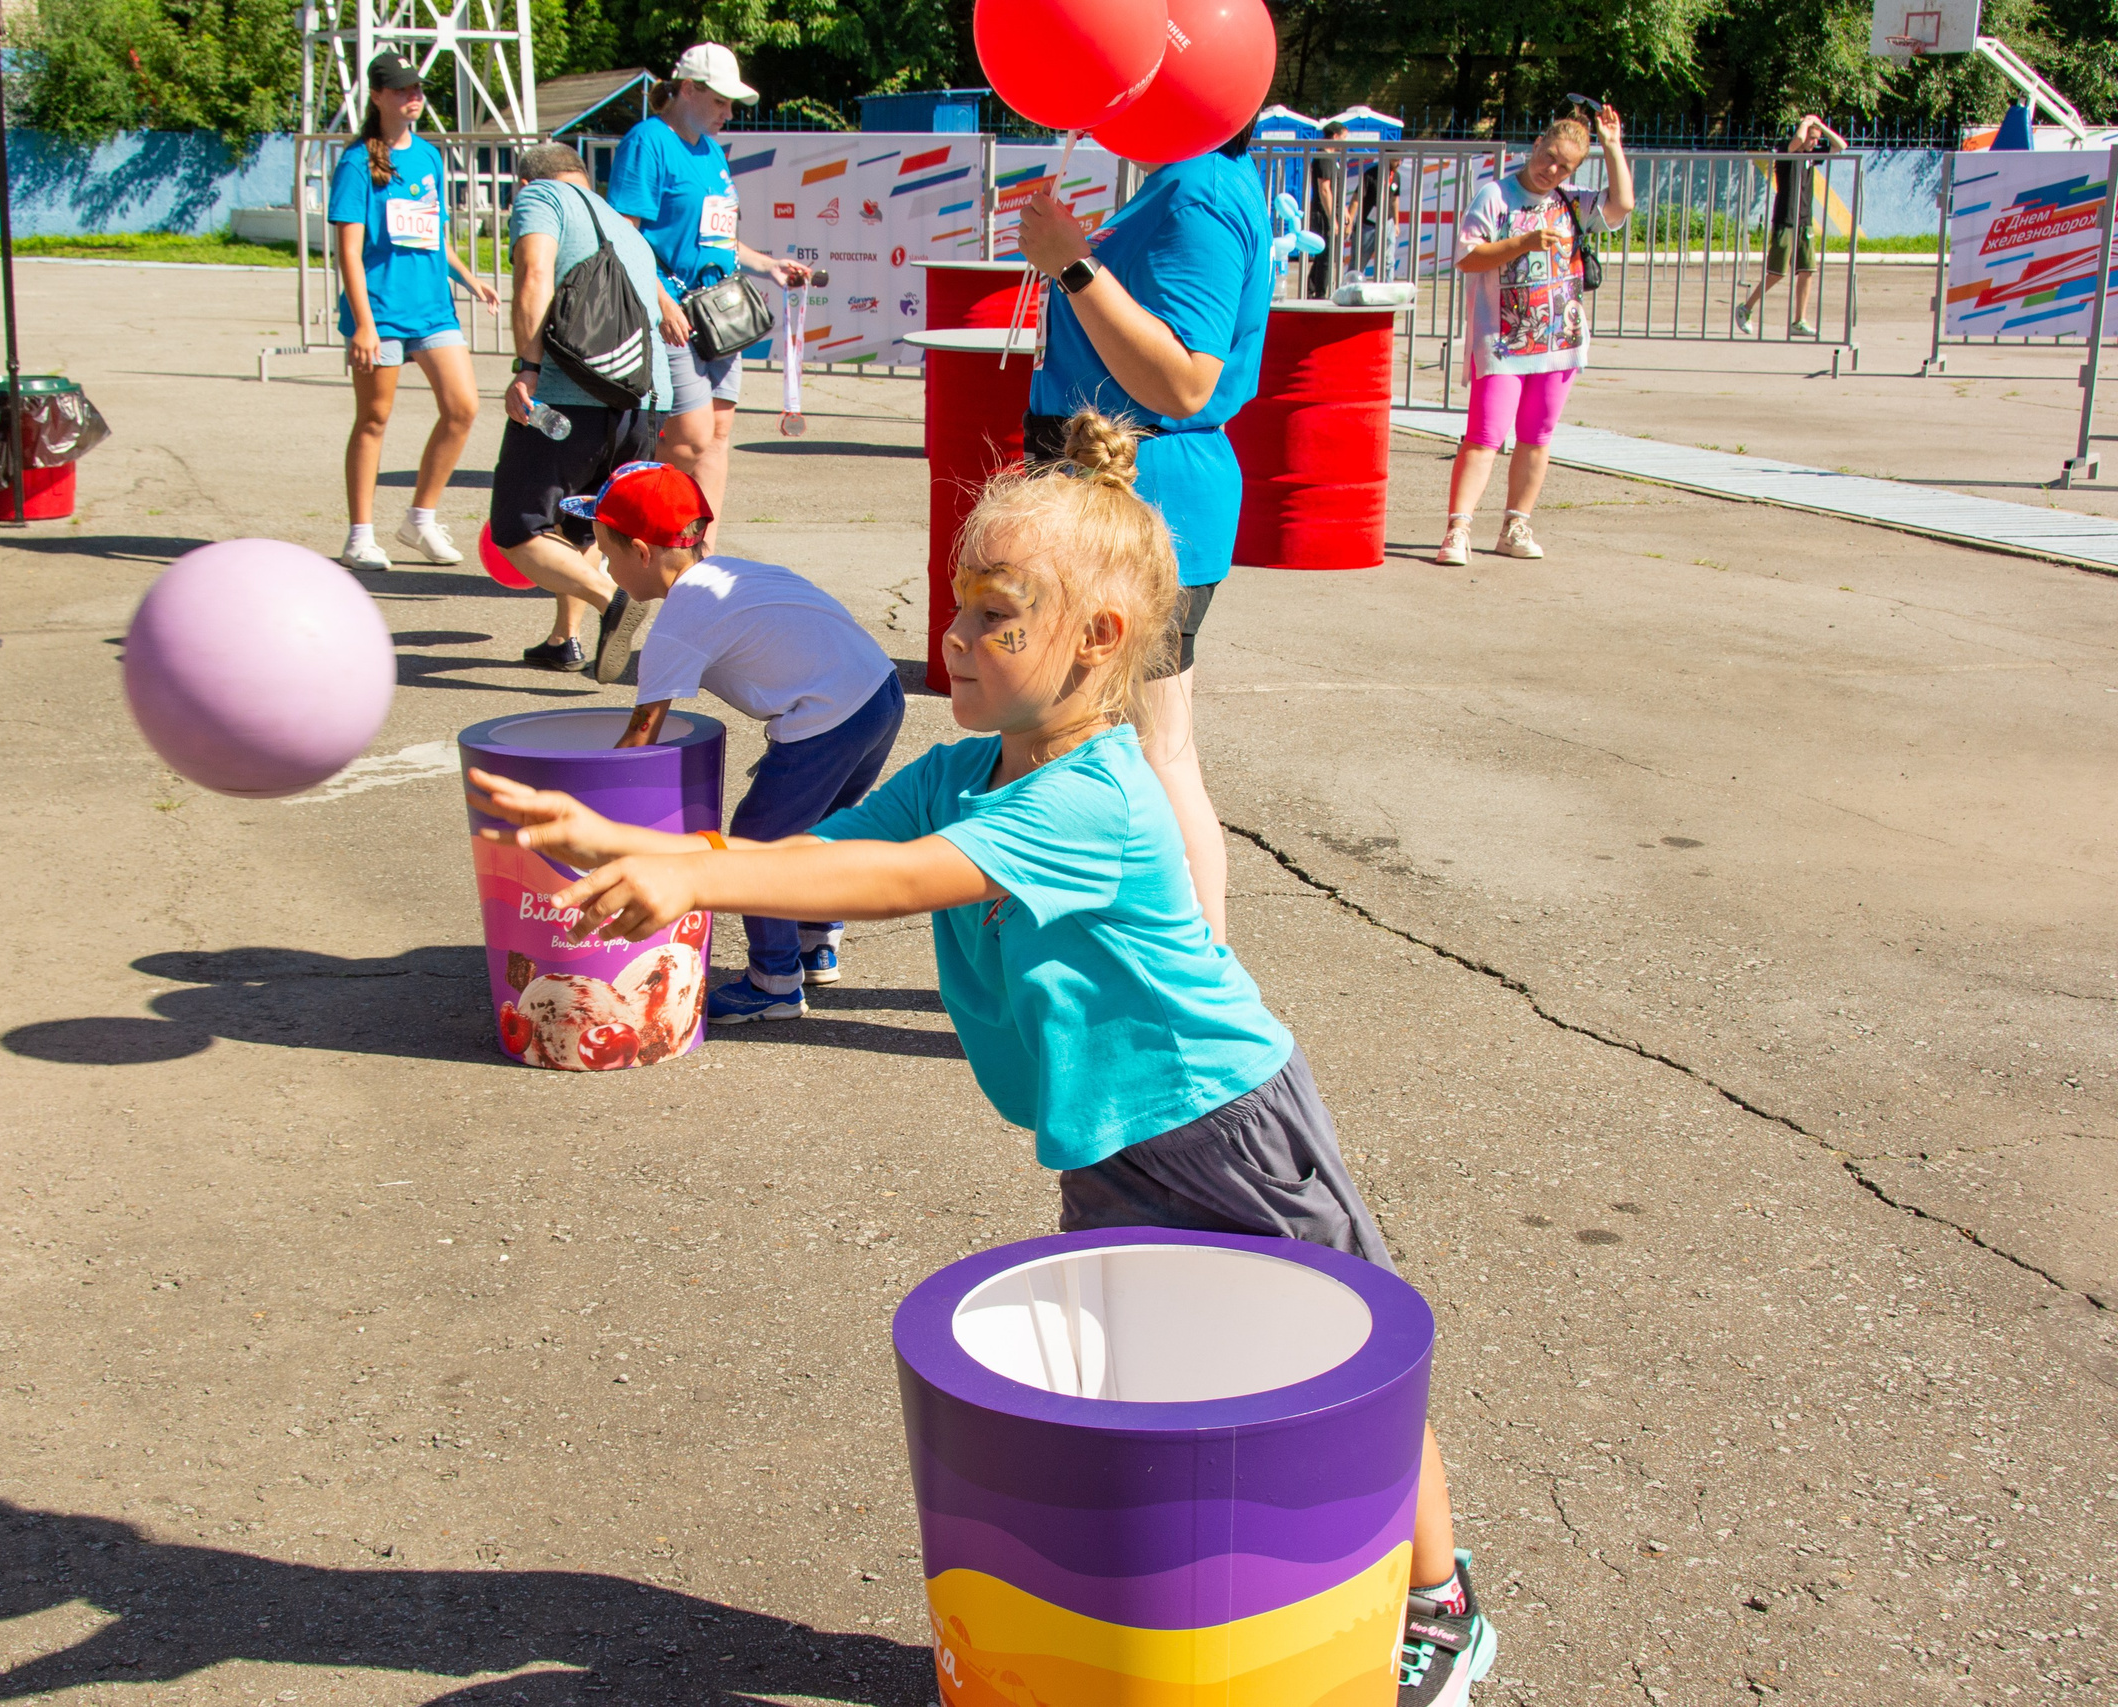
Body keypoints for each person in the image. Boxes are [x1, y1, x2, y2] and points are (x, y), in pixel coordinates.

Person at [466, 412, 1495, 1707]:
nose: (952, 636)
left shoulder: (1091, 798)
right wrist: (628, 839)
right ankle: (1197, 1612)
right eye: (956, 603)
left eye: (994, 615)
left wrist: (688, 873)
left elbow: (895, 881)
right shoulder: (961, 773)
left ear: (1098, 639)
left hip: (1223, 1122)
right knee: (1158, 1368)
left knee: (1344, 1373)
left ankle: (1439, 1604)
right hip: (1108, 1139)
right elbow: (818, 852)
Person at [1013, 111, 1275, 948]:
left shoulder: (1198, 191)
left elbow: (1183, 380)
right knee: (1124, 745)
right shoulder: (1191, 180)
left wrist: (1073, 264)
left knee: (1154, 750)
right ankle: (1165, 967)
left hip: (1144, 500)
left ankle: (1197, 975)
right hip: (1120, 491)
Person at [566, 459, 904, 1023]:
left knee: (756, 843)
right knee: (825, 828)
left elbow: (642, 737)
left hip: (829, 720)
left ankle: (775, 982)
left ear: (641, 554)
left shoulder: (678, 622)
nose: (606, 568)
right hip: (880, 694)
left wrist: (588, 808)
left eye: (606, 554)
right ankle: (814, 941)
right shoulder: (738, 572)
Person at [604, 44, 814, 537]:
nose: (728, 113)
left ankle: (702, 550)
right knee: (689, 437)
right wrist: (661, 302)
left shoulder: (712, 151)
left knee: (717, 435)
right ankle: (633, 531)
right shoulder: (648, 142)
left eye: (730, 103)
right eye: (719, 101)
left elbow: (716, 238)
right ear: (688, 89)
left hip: (720, 316)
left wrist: (767, 265)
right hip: (672, 314)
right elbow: (622, 235)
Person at [491, 142, 674, 681]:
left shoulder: (542, 196)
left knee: (518, 529)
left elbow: (534, 274)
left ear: (526, 184)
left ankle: (610, 596)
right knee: (583, 528)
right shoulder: (621, 223)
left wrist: (527, 367)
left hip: (572, 396)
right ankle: (563, 640)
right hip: (644, 403)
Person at [1433, 104, 1632, 568]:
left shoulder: (1572, 201)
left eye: (1565, 167)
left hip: (1559, 343)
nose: (1552, 170)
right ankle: (1458, 529)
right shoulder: (1495, 196)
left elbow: (1622, 205)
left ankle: (1516, 524)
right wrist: (1522, 242)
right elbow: (1467, 257)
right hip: (1502, 343)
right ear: (1537, 144)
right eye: (1549, 157)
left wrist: (1613, 145)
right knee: (1484, 436)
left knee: (1537, 436)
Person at [331, 51, 501, 572]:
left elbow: (435, 236)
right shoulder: (356, 163)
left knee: (463, 408)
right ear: (377, 96)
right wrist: (363, 324)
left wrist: (468, 278)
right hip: (380, 312)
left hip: (433, 310)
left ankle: (420, 520)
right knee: (374, 418)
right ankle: (360, 536)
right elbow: (349, 252)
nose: (414, 97)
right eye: (402, 89)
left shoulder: (428, 156)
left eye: (418, 89)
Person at [1736, 114, 1845, 339]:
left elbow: (1840, 146)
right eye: (1812, 138)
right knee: (1777, 272)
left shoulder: (1811, 156)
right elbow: (1797, 142)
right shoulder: (1786, 150)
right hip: (1785, 218)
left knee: (1807, 270)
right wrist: (1805, 123)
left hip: (1804, 219)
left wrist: (1820, 126)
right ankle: (1746, 308)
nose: (1815, 142)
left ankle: (1799, 321)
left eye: (1817, 139)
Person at [1306, 119, 1351, 299]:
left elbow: (1335, 190)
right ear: (1335, 136)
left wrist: (1344, 211)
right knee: (1326, 256)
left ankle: (1312, 290)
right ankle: (1319, 295)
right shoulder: (1324, 158)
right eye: (1344, 138)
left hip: (1332, 213)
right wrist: (1333, 219)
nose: (1346, 142)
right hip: (1324, 214)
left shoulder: (1333, 159)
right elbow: (1324, 190)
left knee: (1325, 256)